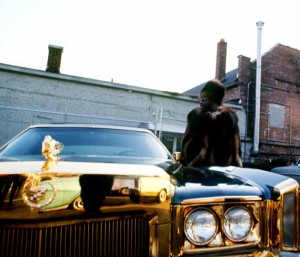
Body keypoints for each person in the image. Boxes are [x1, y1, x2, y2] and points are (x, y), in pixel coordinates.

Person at [181, 79, 242, 167]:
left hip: (221, 173)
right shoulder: (196, 118)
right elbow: (186, 145)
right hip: (197, 171)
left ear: (214, 99)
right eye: (201, 99)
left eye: (204, 99)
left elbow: (236, 152)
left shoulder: (229, 121)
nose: (201, 102)